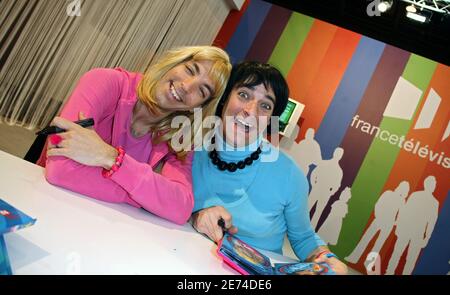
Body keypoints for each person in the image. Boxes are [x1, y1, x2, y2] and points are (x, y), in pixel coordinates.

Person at [38, 46, 231, 225]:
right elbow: (60, 170)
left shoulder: (179, 137)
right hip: (44, 206)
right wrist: (143, 197)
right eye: (190, 70)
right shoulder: (104, 81)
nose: (187, 86)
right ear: (174, 63)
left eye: (201, 90)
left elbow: (180, 208)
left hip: (100, 227)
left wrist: (111, 158)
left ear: (197, 107)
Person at [191, 61, 348, 274]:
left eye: (265, 105)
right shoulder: (188, 149)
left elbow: (303, 237)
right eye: (244, 95)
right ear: (225, 98)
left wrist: (326, 259)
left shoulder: (289, 175)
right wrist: (195, 216)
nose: (250, 111)